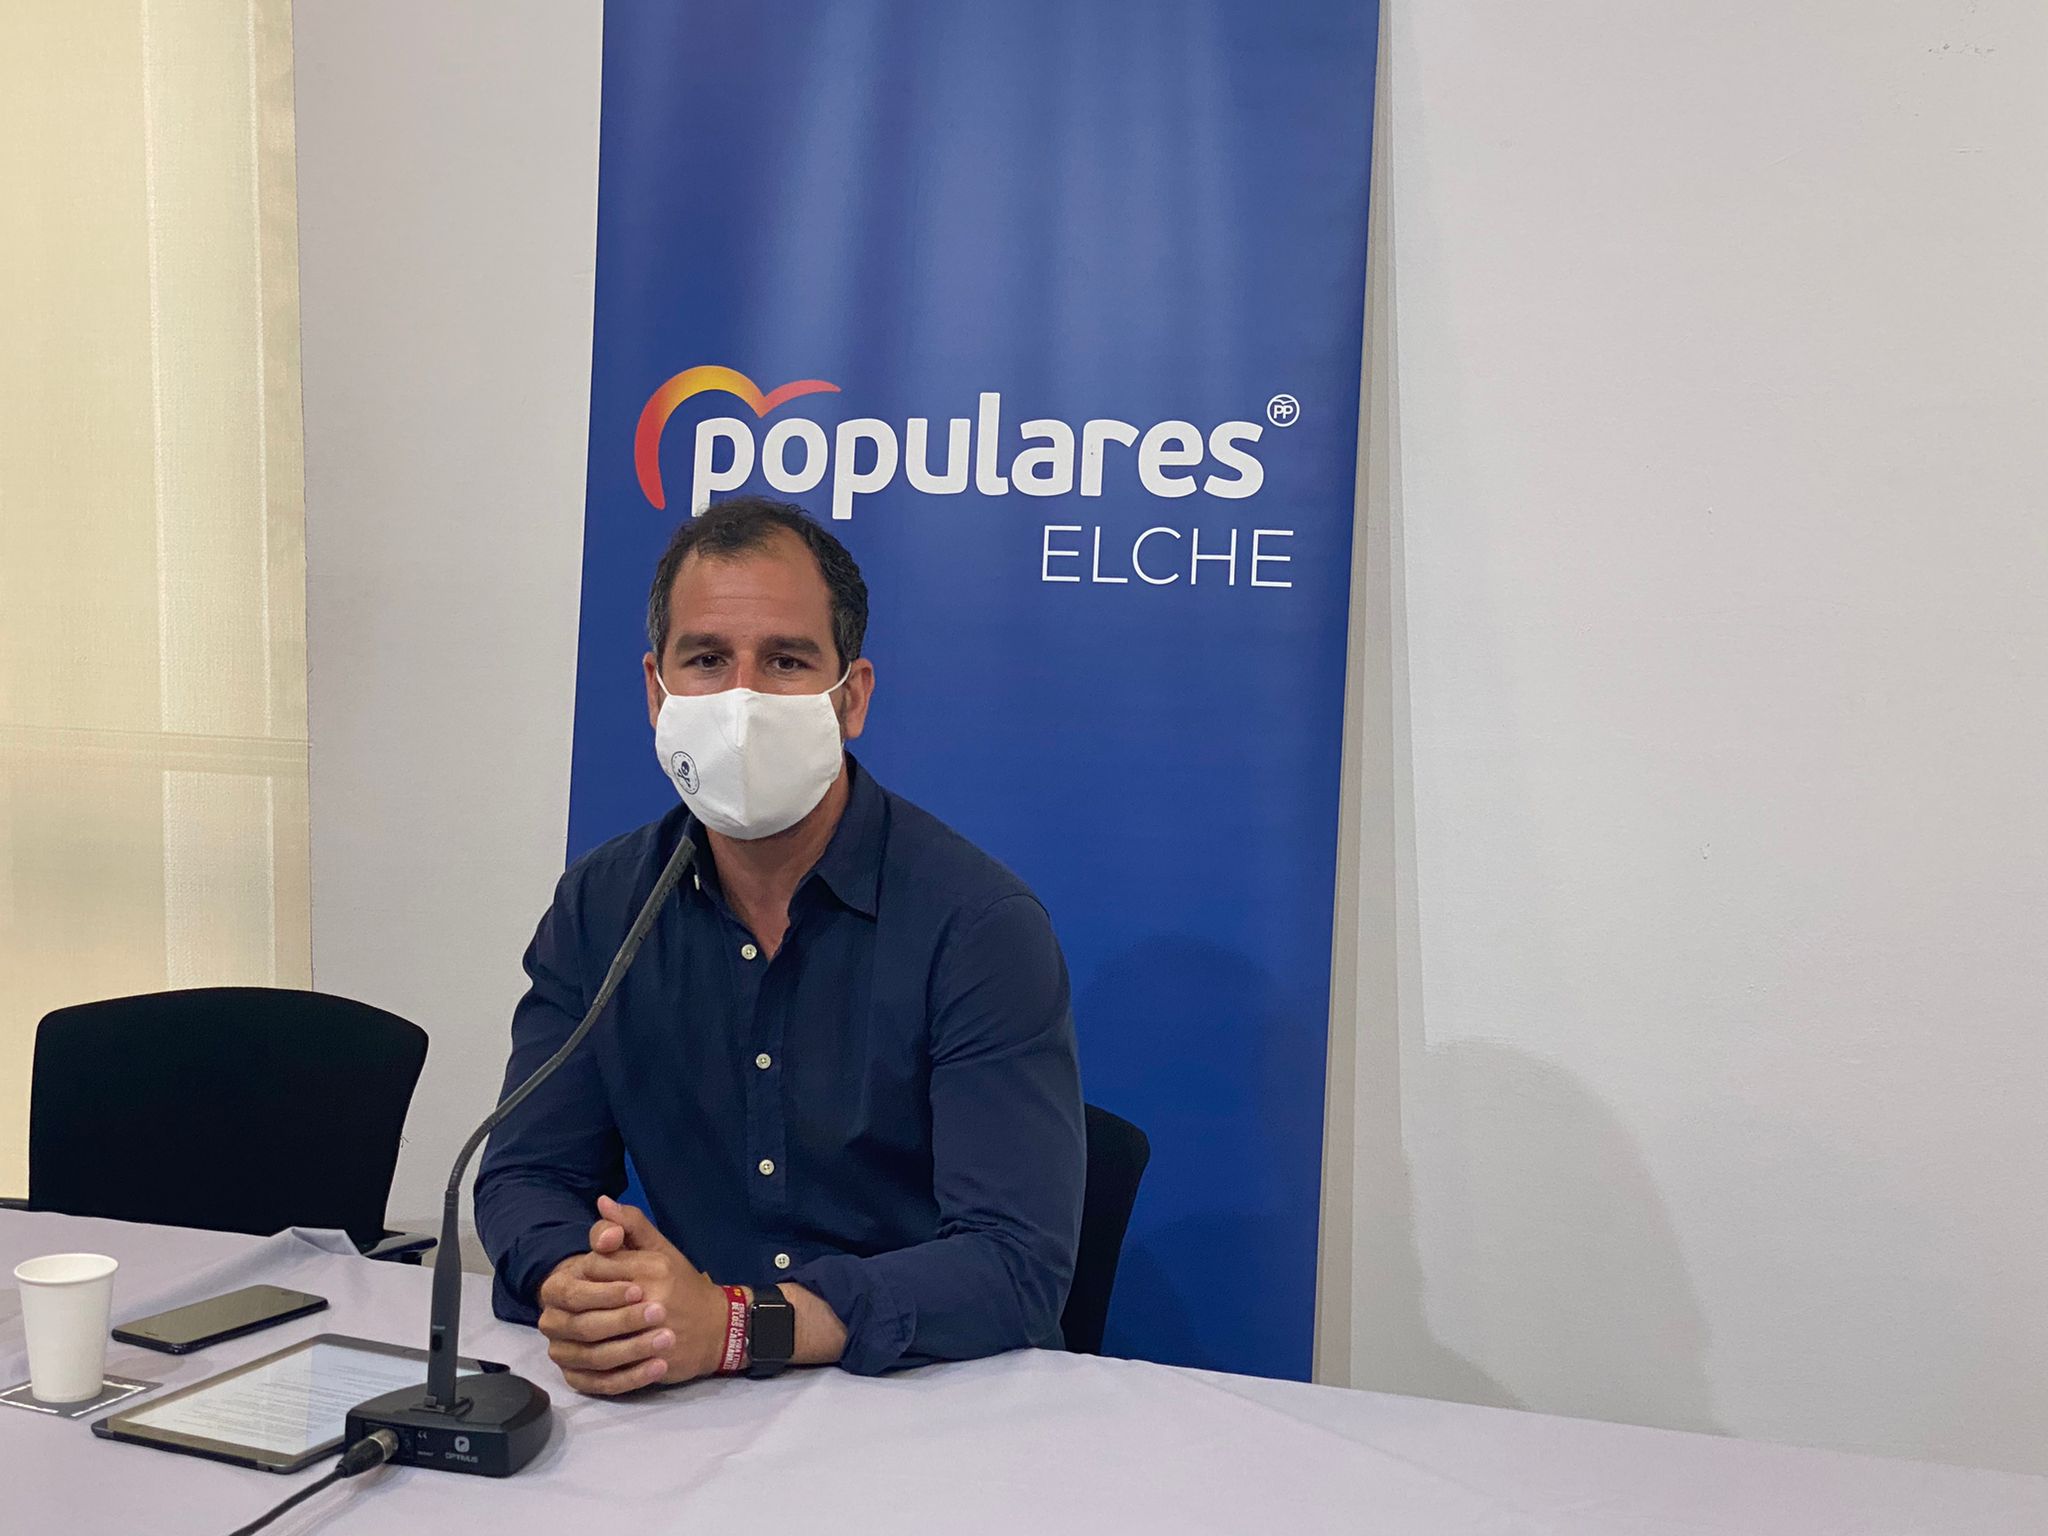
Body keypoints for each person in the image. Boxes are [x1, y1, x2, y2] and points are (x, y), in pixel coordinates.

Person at [475, 496, 1086, 1393]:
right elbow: (526, 1174)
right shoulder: (602, 906)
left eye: (786, 661)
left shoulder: (978, 923)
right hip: (683, 1395)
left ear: (852, 698)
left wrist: (736, 1325)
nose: (742, 701)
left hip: (923, 1401)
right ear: (656, 692)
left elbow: (1016, 1266)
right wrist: (591, 1292)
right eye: (707, 660)